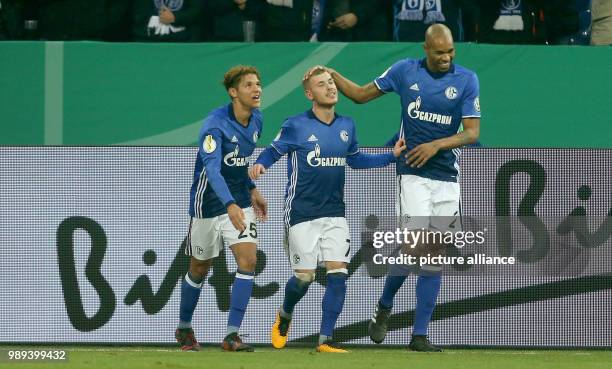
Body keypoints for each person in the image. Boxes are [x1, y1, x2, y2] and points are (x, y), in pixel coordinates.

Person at [327, 23, 480, 351]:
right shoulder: (404, 71)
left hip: (446, 178)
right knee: (415, 248)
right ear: (426, 49)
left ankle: (419, 336)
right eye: (439, 52)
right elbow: (360, 95)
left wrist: (437, 145)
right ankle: (384, 306)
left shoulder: (467, 79)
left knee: (433, 254)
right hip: (411, 172)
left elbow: (471, 133)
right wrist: (331, 73)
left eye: (450, 51)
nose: (446, 58)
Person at [249, 66, 406, 353]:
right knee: (304, 278)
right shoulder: (296, 124)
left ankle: (325, 340)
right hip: (301, 213)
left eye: (332, 83)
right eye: (322, 84)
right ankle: (285, 314)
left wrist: (391, 156)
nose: (331, 88)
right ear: (310, 94)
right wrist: (261, 164)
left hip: (335, 214)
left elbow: (356, 160)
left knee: (338, 272)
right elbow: (273, 150)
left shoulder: (347, 125)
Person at [175, 65, 268, 352]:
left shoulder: (257, 120)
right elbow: (212, 170)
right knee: (199, 267)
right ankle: (185, 327)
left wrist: (252, 191)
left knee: (248, 261)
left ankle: (232, 335)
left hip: (238, 201)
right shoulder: (214, 125)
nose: (257, 89)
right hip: (208, 204)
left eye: (258, 84)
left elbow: (239, 163)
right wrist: (228, 204)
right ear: (233, 92)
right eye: (249, 85)